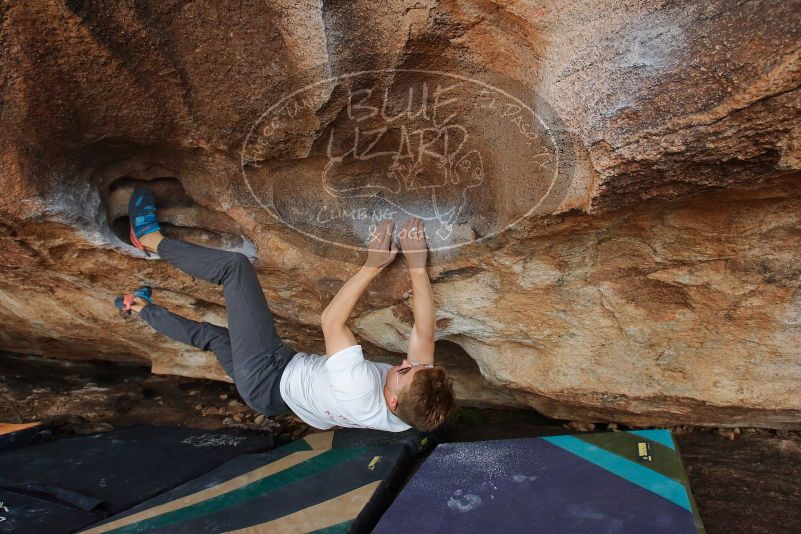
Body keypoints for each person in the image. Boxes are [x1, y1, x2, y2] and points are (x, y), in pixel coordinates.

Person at [116, 186, 455, 432]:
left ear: (393, 402)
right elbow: (424, 332)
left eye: (403, 372)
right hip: (273, 401)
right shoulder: (413, 410)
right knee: (213, 337)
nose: (406, 363)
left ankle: (148, 239)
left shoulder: (359, 388)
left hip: (269, 372)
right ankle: (139, 307)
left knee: (235, 269)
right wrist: (416, 266)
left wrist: (373, 265)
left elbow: (331, 321)